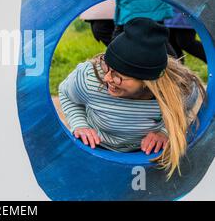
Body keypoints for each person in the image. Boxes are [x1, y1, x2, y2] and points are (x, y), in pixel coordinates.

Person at [58, 18, 205, 178]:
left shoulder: (178, 89)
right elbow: (66, 93)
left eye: (118, 76)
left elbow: (184, 107)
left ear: (147, 82)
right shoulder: (91, 79)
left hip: (146, 156)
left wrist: (164, 132)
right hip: (97, 149)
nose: (107, 78)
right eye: (107, 67)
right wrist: (80, 124)